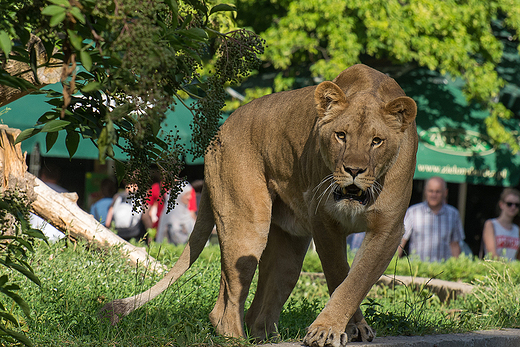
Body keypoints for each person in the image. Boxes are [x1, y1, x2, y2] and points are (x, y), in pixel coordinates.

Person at [398, 176, 465, 262]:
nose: (434, 195)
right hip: (417, 269)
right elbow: (401, 241)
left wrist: (457, 268)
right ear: (425, 191)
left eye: (438, 192)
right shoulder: (413, 212)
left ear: (445, 192)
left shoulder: (453, 214)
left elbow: (455, 245)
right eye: (431, 191)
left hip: (443, 271)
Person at [481, 188, 520, 260]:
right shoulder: (491, 224)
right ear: (501, 204)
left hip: (513, 269)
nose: (513, 207)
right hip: (495, 268)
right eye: (509, 204)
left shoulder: (517, 229)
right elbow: (492, 254)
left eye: (517, 205)